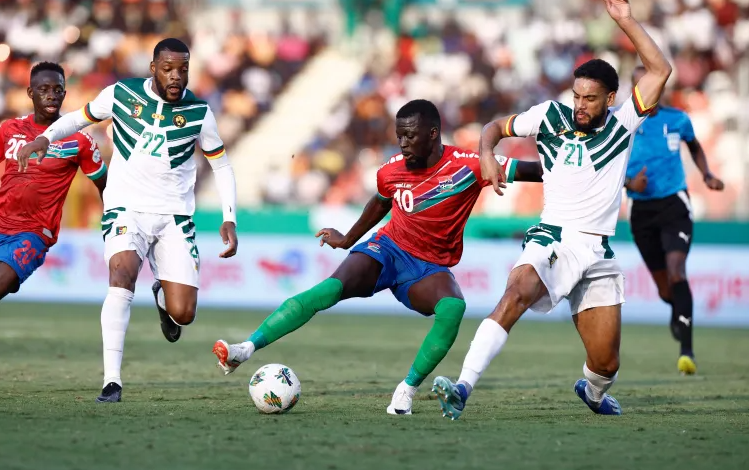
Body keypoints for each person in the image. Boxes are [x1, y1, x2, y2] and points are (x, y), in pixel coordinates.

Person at [212, 99, 542, 415]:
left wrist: (575, 170)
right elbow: (380, 203)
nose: (402, 143)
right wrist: (347, 239)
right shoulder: (391, 171)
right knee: (328, 290)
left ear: (432, 134)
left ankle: (406, 390)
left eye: (410, 135)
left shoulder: (470, 165)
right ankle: (245, 349)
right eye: (399, 135)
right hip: (386, 249)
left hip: (427, 269)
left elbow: (539, 171)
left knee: (453, 307)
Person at [432, 0, 673, 419]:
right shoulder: (549, 115)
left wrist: (625, 21)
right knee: (515, 293)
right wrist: (487, 154)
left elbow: (659, 71)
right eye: (577, 95)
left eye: (590, 99)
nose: (580, 105)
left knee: (606, 363)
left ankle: (594, 393)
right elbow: (494, 128)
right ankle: (462, 386)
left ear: (610, 98)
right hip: (553, 236)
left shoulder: (623, 123)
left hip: (597, 251)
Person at [17, 38, 239, 403]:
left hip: (174, 216)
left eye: (183, 69)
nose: (176, 76)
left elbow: (222, 164)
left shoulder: (200, 112)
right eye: (168, 68)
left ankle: (164, 300)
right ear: (153, 68)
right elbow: (79, 117)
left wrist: (229, 217)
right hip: (125, 208)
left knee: (184, 313)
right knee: (121, 275)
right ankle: (112, 381)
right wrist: (45, 137)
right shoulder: (121, 94)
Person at [625, 66, 724, 375]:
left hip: (674, 205)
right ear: (634, 89)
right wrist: (629, 184)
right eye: (642, 84)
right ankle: (676, 309)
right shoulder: (621, 124)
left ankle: (687, 352)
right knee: (666, 289)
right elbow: (604, 164)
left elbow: (694, 145)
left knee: (677, 272)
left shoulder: (678, 119)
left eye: (655, 83)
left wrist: (706, 173)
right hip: (641, 211)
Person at [0, 62, 107, 300]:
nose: (51, 96)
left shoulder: (79, 141)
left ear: (65, 94)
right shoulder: (10, 129)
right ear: (30, 93)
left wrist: (114, 224)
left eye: (58, 90)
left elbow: (105, 186)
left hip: (33, 233)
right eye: (44, 89)